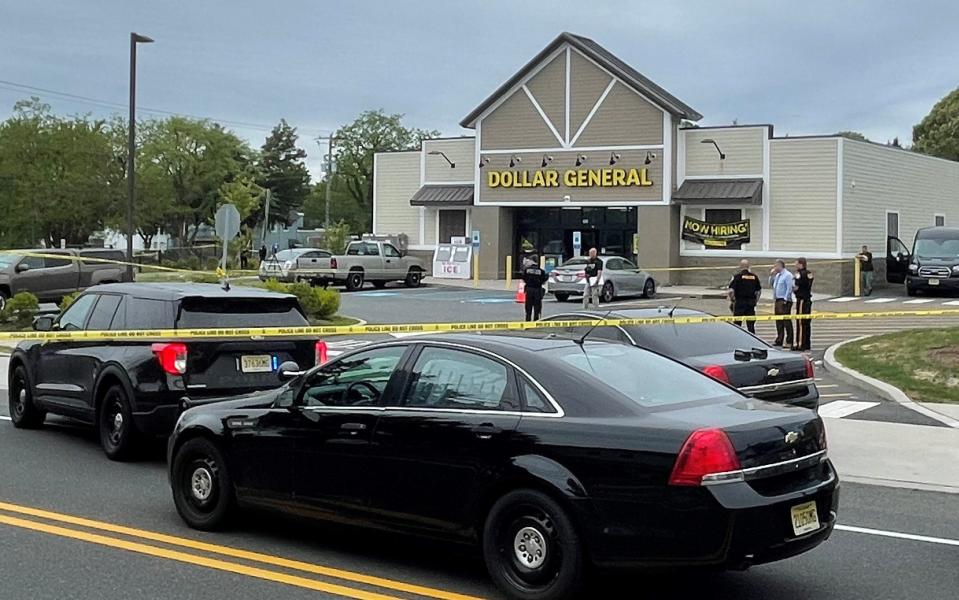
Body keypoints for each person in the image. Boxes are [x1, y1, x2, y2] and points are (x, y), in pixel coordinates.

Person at [728, 259, 762, 333]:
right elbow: (758, 291)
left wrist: (732, 300)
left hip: (739, 303)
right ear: (748, 266)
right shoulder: (754, 277)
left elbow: (731, 291)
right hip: (750, 304)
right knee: (751, 325)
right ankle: (752, 339)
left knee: (737, 325)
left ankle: (737, 338)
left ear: (740, 266)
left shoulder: (737, 277)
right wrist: (756, 300)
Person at [770, 259, 794, 348]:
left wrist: (785, 299)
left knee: (786, 321)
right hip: (777, 300)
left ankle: (789, 341)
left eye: (776, 266)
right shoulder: (777, 275)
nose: (774, 268)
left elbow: (789, 288)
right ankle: (779, 339)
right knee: (778, 321)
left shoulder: (787, 275)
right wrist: (772, 275)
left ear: (780, 266)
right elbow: (772, 284)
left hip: (784, 301)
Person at [793, 257, 814, 351]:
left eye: (796, 263)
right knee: (806, 322)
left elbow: (796, 286)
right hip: (808, 299)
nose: (795, 265)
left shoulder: (799, 274)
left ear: (801, 264)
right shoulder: (809, 273)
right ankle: (807, 343)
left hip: (801, 300)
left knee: (801, 322)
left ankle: (800, 344)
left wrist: (794, 290)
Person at [521, 255, 548, 321]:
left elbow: (524, 278)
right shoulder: (541, 271)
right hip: (537, 290)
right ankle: (536, 321)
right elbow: (544, 281)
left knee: (528, 307)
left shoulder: (527, 270)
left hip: (529, 289)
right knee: (537, 307)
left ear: (532, 261)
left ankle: (528, 321)